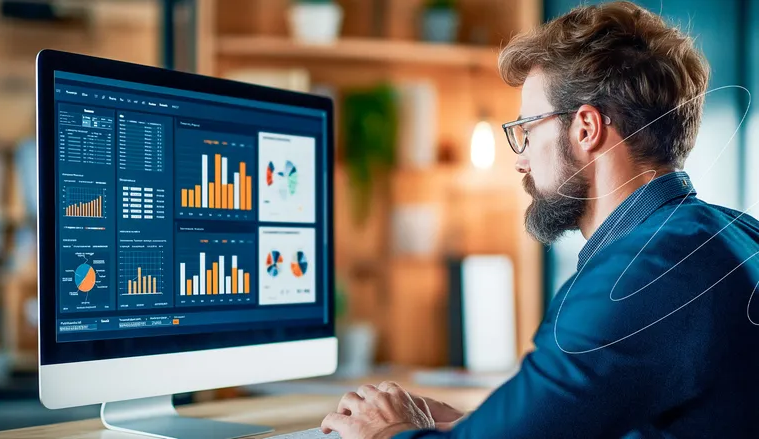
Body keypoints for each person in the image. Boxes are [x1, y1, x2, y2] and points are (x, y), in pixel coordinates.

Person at [320, 1, 759, 438]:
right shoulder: (738, 234)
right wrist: (473, 426)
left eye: (527, 130)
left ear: (586, 128)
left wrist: (386, 432)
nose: (521, 160)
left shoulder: (628, 278)